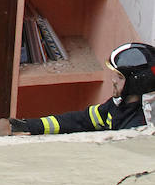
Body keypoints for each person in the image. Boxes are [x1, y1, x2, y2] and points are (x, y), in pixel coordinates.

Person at [10, 42, 155, 135]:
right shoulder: (119, 105)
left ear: (137, 83)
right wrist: (29, 126)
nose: (113, 80)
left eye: (120, 77)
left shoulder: (139, 128)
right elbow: (83, 119)